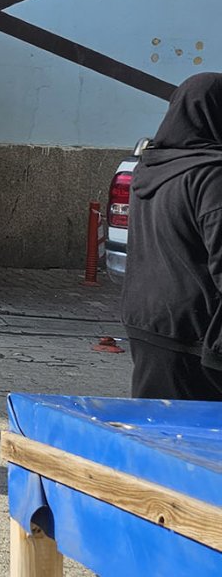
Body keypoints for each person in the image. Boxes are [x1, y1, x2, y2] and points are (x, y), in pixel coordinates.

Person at [121, 73, 222, 401]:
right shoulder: (211, 175)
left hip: (147, 322)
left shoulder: (151, 166)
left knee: (154, 433)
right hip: (196, 334)